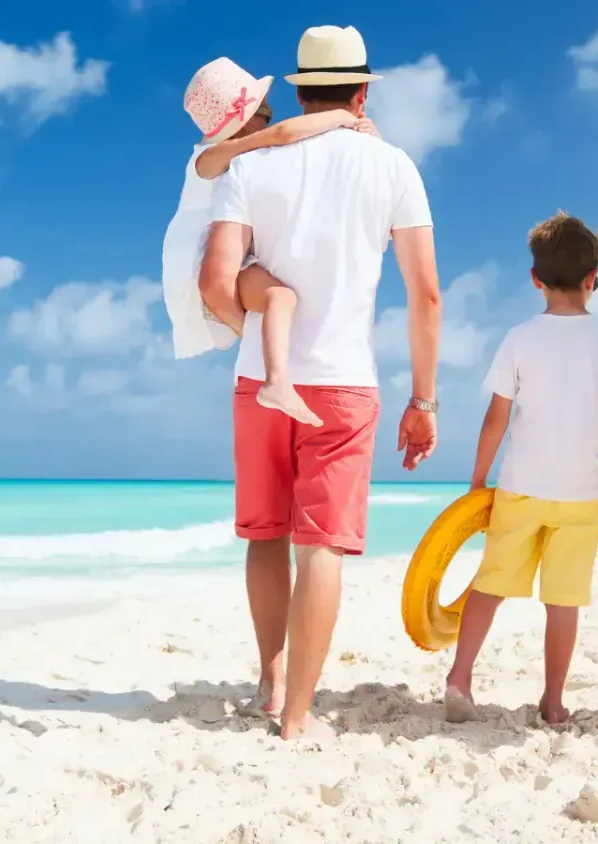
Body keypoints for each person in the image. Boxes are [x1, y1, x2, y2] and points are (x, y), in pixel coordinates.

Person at [198, 24, 442, 741]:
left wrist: (254, 338)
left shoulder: (250, 166)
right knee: (322, 548)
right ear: (362, 92)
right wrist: (423, 399)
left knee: (265, 535)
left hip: (259, 381)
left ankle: (270, 682)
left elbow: (218, 281)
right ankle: (299, 717)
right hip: (342, 384)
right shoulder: (393, 166)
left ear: (300, 91)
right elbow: (425, 295)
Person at [442, 213, 598, 725]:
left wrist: (477, 484)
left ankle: (460, 678)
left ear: (535, 279)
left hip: (521, 487)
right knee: (563, 600)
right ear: (594, 278)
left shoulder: (520, 337)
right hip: (583, 494)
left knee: (491, 583)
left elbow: (495, 420)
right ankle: (552, 701)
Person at [163, 57, 379, 427]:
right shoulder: (205, 159)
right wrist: (344, 118)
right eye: (264, 109)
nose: (270, 117)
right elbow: (282, 136)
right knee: (279, 299)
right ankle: (277, 379)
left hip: (215, 251)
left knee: (274, 302)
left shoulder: (239, 156)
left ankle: (276, 377)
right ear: (242, 119)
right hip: (198, 257)